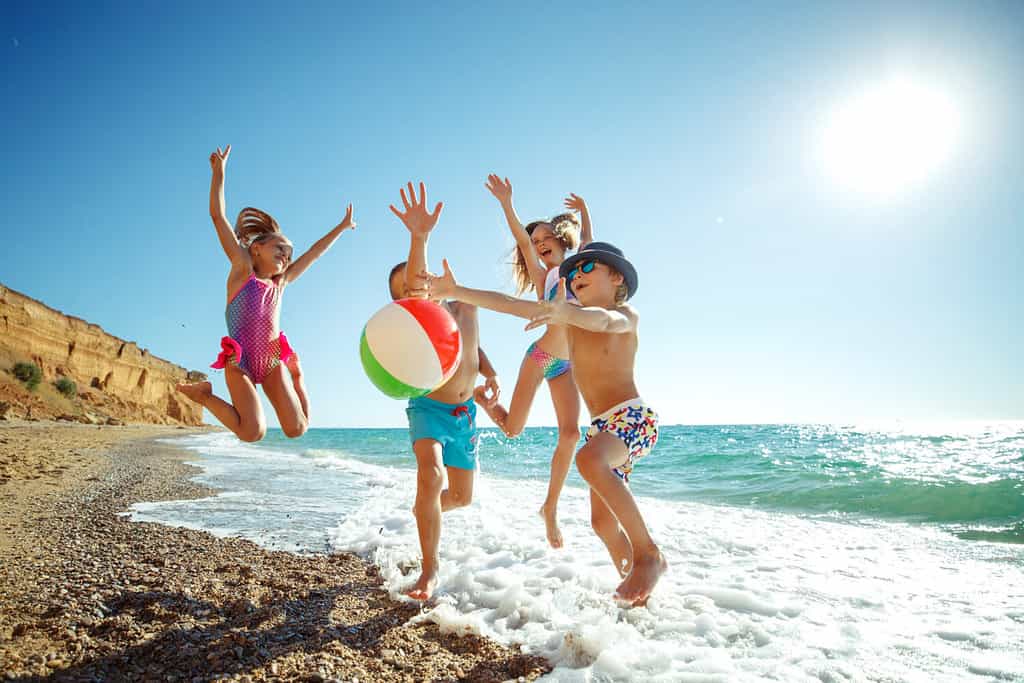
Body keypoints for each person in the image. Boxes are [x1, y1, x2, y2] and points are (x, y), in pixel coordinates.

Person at [426, 241, 666, 606]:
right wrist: (456, 291)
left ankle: (649, 555)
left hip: (633, 418)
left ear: (616, 277)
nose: (576, 275)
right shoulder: (568, 320)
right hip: (604, 429)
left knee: (587, 460)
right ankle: (638, 595)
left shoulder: (625, 315)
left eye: (588, 268)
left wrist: (566, 314)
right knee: (601, 523)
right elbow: (508, 305)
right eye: (572, 273)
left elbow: (603, 320)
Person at [176, 145, 355, 441]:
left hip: (272, 361)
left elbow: (314, 254)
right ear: (256, 249)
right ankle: (204, 396)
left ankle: (297, 376)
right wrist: (219, 174)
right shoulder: (242, 268)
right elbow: (218, 218)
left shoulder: (280, 283)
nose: (286, 257)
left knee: (298, 428)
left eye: (289, 254)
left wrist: (341, 227)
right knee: (252, 432)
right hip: (241, 362)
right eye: (280, 250)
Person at [387, 182, 500, 601]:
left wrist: (490, 372)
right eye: (408, 288)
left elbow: (472, 347)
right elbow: (418, 285)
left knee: (459, 497)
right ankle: (428, 572)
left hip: (465, 413)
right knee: (431, 476)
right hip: (429, 409)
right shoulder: (421, 314)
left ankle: (424, 513)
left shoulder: (461, 304)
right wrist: (419, 237)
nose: (418, 285)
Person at [478, 174, 594, 548]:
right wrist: (506, 203)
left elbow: (590, 243)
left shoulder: (581, 271)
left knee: (572, 434)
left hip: (569, 365)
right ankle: (487, 402)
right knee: (512, 429)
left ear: (562, 241)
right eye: (536, 241)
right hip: (542, 357)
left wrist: (585, 212)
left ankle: (550, 508)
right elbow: (520, 238)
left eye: (546, 238)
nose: (540, 243)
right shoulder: (545, 276)